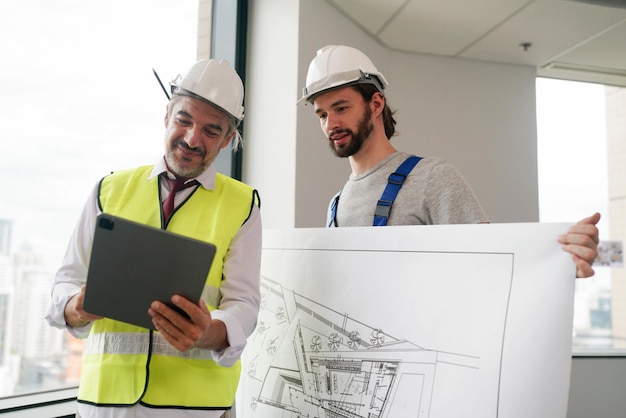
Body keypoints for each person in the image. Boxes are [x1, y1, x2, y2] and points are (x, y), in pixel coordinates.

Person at [45, 59, 261, 418]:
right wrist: (79, 307)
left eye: (211, 130)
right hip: (107, 406)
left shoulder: (242, 205)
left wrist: (209, 332)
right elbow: (64, 283)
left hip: (196, 410)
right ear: (166, 116)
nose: (192, 139)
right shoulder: (108, 190)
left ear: (226, 140)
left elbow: (245, 306)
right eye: (184, 120)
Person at [298, 44, 600, 278]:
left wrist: (559, 259)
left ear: (375, 104)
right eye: (322, 114)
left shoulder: (431, 178)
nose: (330, 123)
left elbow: (490, 261)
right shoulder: (336, 204)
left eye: (341, 108)